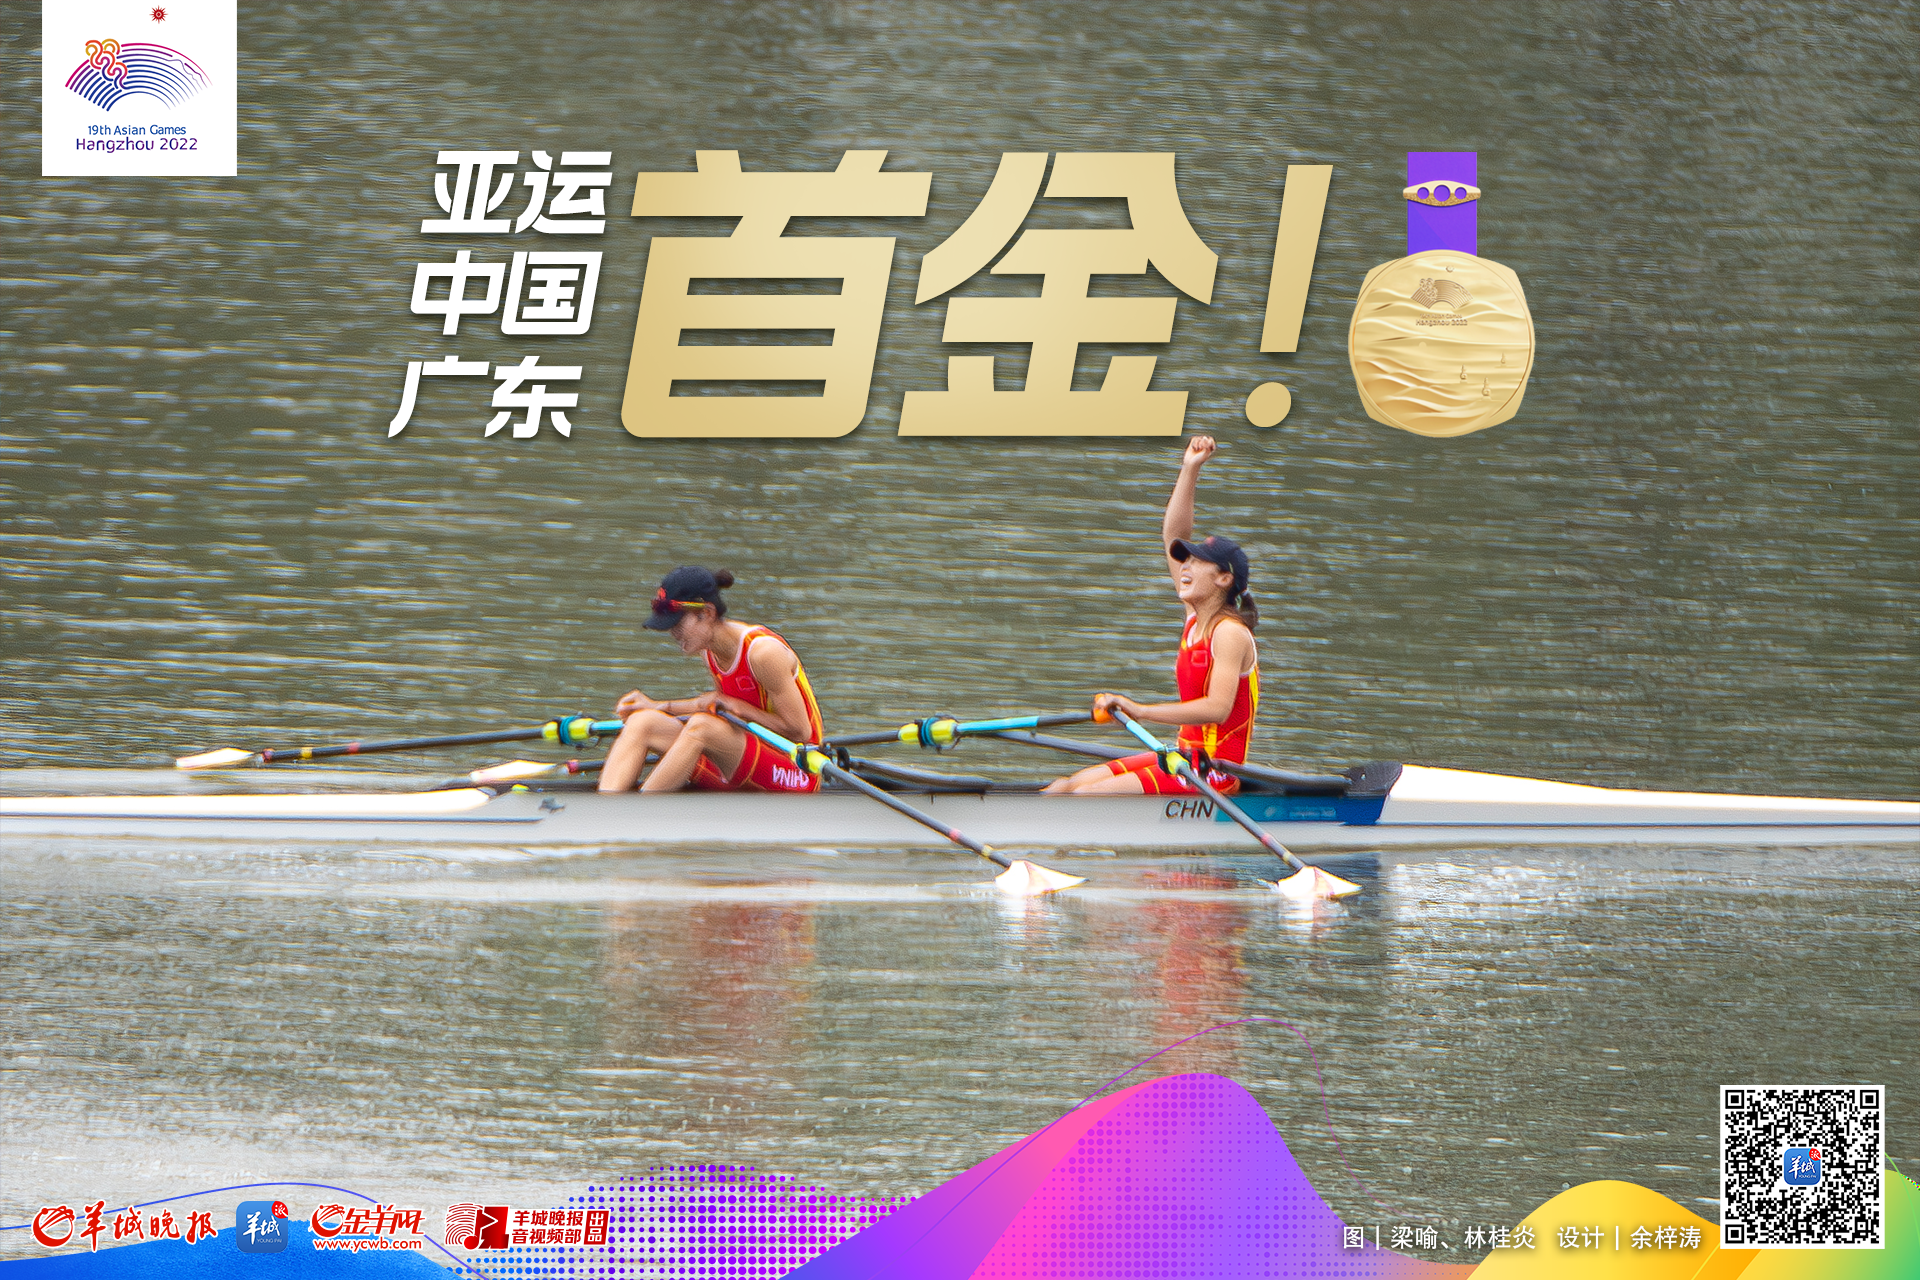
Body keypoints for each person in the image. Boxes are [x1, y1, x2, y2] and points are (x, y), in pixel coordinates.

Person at [1043, 435, 1259, 796]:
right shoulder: (1196, 617)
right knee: (1065, 787)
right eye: (1185, 560)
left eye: (1196, 562)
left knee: (1086, 798)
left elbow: (1218, 709)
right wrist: (1189, 468)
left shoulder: (1229, 633)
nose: (1185, 567)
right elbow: (1174, 534)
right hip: (1184, 758)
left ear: (1224, 579)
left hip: (1217, 771)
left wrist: (1140, 710)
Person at [597, 567, 826, 794]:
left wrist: (741, 709)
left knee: (702, 727)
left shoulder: (763, 653)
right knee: (642, 721)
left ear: (707, 613)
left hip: (797, 771)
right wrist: (656, 706)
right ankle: (606, 804)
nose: (673, 634)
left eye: (677, 624)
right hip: (744, 762)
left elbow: (800, 731)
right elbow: (714, 705)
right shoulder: (708, 650)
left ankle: (640, 811)